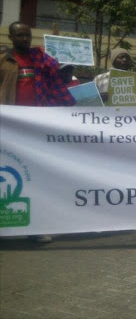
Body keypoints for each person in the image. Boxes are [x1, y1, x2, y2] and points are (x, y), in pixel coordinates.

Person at [0, 22, 76, 243]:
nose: (25, 39)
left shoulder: (42, 60)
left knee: (35, 176)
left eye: (28, 35)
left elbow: (57, 83)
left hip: (36, 126)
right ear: (11, 37)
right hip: (9, 125)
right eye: (20, 35)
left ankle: (37, 226)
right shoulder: (4, 61)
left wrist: (74, 112)